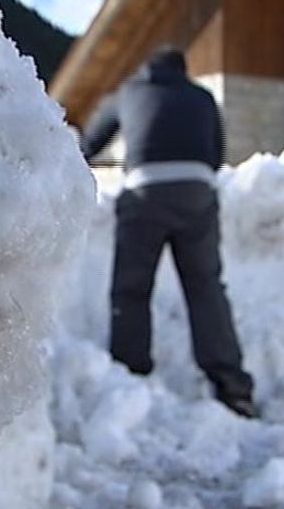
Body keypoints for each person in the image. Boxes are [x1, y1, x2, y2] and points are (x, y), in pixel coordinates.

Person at [80, 46, 258, 419]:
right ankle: (232, 387)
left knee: (131, 288)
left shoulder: (128, 93)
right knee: (205, 287)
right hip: (197, 192)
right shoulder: (202, 97)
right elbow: (216, 153)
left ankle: (129, 377)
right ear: (183, 71)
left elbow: (90, 144)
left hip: (145, 193)